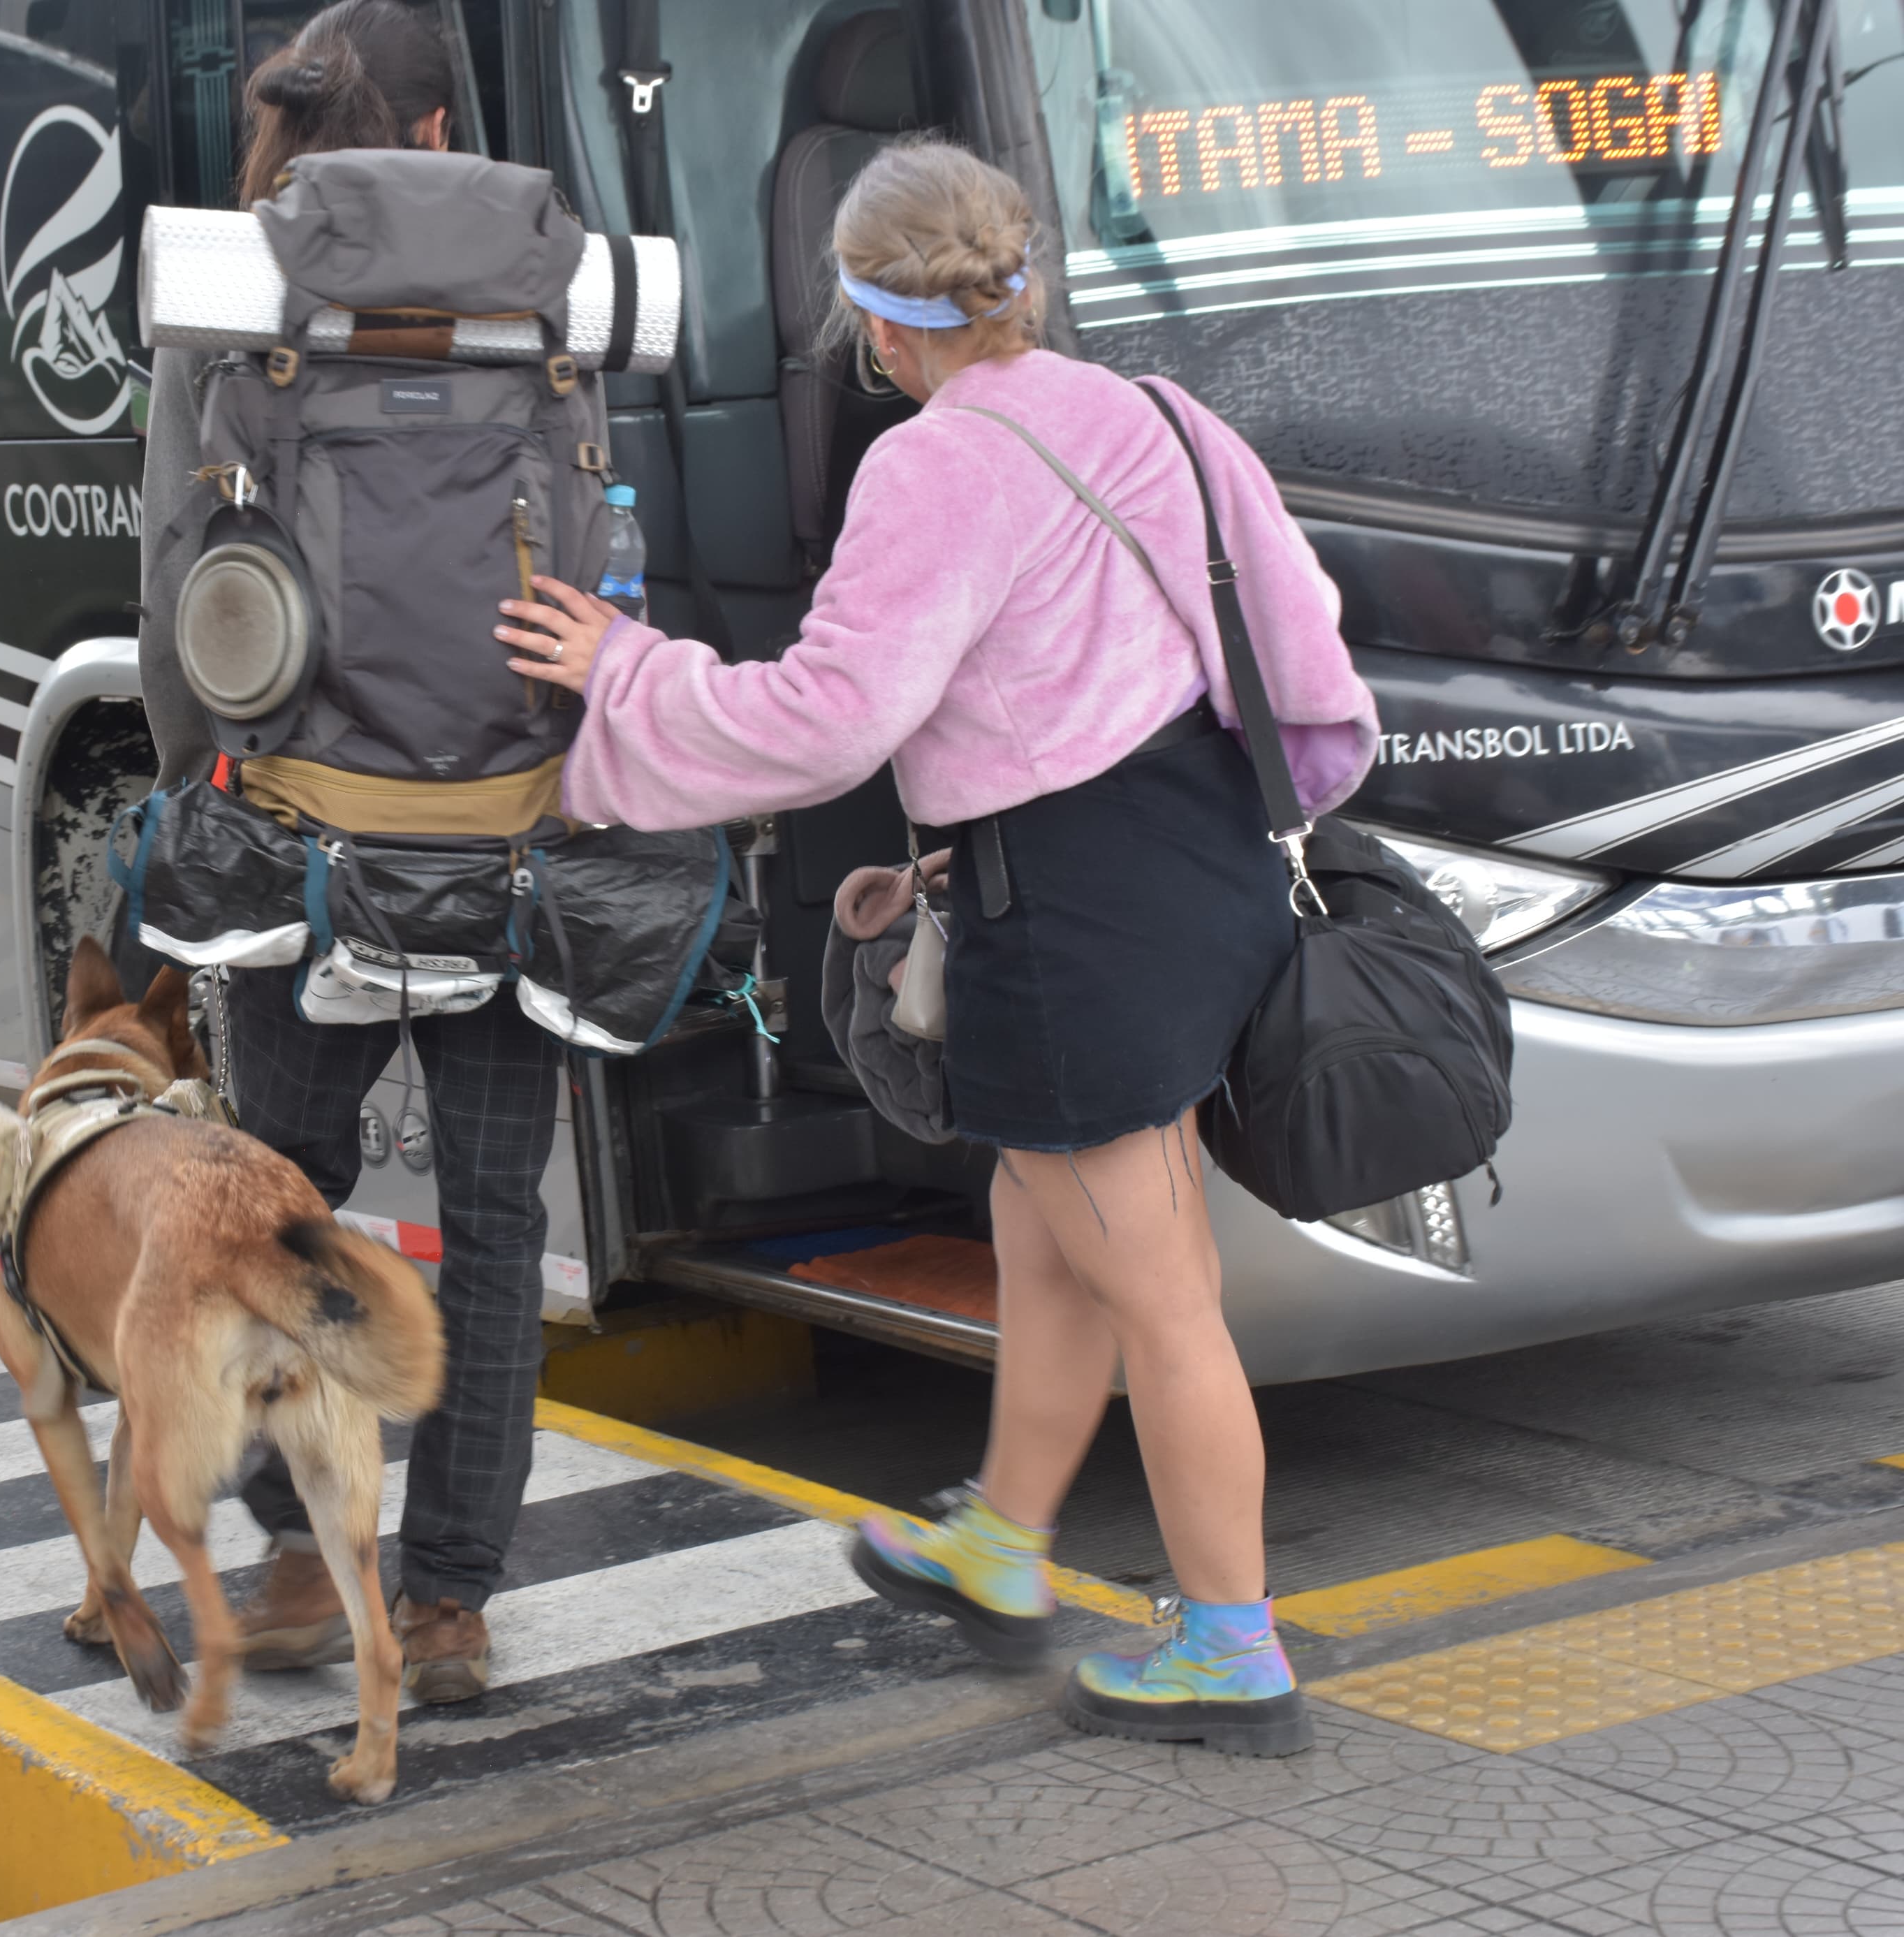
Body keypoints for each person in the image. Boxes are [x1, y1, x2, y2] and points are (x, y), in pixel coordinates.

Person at [491, 139, 1378, 1755]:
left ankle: (1232, 1643)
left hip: (1074, 909)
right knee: (1041, 1228)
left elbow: (829, 719)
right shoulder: (1154, 412)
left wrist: (624, 667)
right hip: (1197, 860)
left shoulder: (930, 464)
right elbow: (1297, 622)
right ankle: (1002, 1540)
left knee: (1159, 1289)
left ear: (873, 323)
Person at [134, 0, 552, 1705]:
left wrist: (187, 798)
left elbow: (181, 576)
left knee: (277, 1199)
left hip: (303, 838)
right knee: (501, 1221)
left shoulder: (235, 291)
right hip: (519, 833)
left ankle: (308, 1550)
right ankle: (449, 1600)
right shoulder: (561, 282)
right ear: (446, 131)